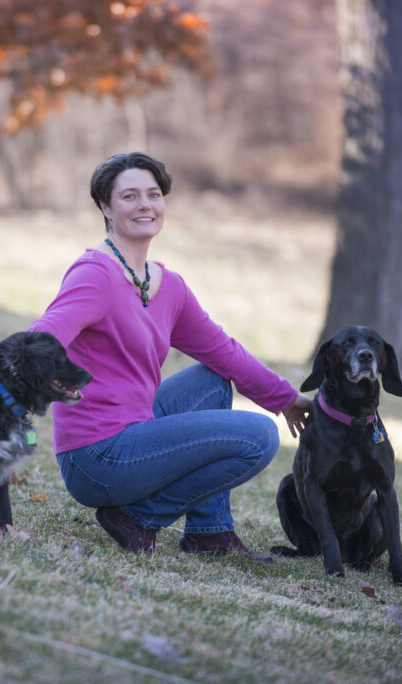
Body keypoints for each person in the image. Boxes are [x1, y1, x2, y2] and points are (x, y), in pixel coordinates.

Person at [28, 152, 311, 561]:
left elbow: (224, 352)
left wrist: (286, 399)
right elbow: (41, 337)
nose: (145, 205)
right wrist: (22, 393)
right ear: (105, 207)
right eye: (129, 196)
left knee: (213, 381)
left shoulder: (167, 285)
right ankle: (138, 517)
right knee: (259, 437)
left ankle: (209, 533)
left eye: (153, 194)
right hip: (96, 456)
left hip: (135, 430)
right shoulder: (96, 274)